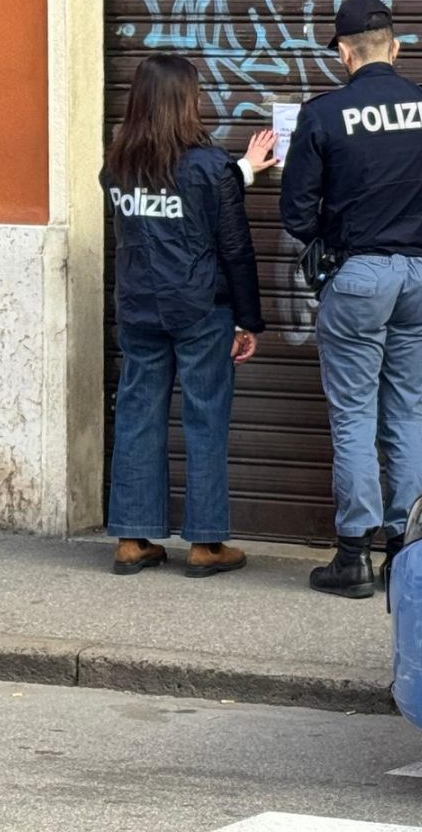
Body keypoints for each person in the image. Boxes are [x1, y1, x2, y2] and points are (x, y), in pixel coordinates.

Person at [280, 0, 422, 598]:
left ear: (343, 52)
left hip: (359, 275)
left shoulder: (326, 115)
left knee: (355, 414)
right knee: (407, 411)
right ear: (396, 47)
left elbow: (298, 216)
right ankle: (405, 556)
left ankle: (353, 555)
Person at [102, 53, 268, 578]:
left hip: (139, 309)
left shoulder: (116, 167)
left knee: (136, 417)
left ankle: (132, 539)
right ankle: (205, 545)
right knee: (205, 417)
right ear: (187, 101)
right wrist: (249, 320)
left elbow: (157, 208)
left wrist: (240, 171)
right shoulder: (209, 166)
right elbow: (235, 249)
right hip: (200, 310)